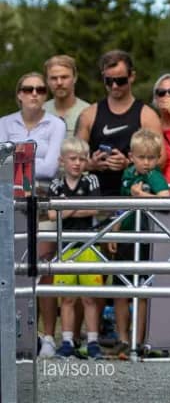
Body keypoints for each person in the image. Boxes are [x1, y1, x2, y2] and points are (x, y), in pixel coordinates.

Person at [0, 71, 65, 357]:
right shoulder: (3, 123)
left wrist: (19, 155)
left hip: (44, 203)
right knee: (11, 273)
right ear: (19, 94)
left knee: (44, 269)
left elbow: (51, 169)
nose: (34, 93)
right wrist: (34, 155)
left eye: (40, 89)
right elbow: (2, 164)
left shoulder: (56, 124)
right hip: (10, 204)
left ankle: (49, 336)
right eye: (28, 89)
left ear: (45, 95)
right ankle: (15, 334)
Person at [111, 128, 170, 358]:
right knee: (120, 289)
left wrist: (143, 197)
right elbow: (122, 204)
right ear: (132, 156)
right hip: (126, 235)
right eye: (142, 157)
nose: (146, 163)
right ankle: (122, 338)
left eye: (151, 158)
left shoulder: (154, 176)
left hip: (146, 238)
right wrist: (115, 230)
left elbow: (165, 200)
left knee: (142, 290)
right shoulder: (127, 174)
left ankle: (138, 339)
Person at [76, 50, 164, 198]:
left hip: (134, 200)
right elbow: (72, 158)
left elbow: (161, 159)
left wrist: (130, 164)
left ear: (132, 77)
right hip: (96, 201)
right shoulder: (88, 115)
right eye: (109, 81)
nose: (115, 86)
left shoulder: (147, 116)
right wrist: (92, 163)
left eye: (120, 80)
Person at [47, 137, 103, 360]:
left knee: (90, 297)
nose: (77, 163)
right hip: (65, 247)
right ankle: (68, 340)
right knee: (67, 298)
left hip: (89, 245)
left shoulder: (92, 180)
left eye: (82, 159)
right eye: (73, 159)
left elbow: (94, 208)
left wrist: (66, 207)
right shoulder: (56, 184)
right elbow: (52, 215)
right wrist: (75, 207)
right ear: (62, 160)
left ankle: (92, 341)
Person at [43, 55, 89, 135]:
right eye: (54, 78)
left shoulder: (88, 113)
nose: (59, 83)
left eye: (64, 77)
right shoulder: (39, 113)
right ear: (47, 81)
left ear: (75, 78)